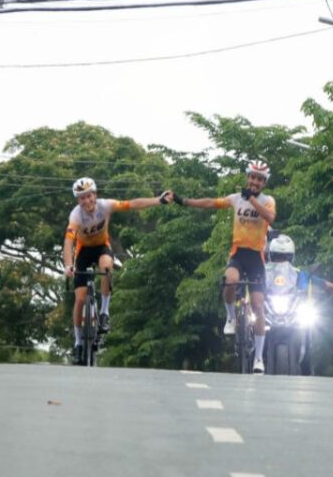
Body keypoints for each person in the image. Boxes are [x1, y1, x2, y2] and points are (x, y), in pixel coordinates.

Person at [173, 160, 277, 374]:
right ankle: (230, 317)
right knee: (229, 280)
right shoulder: (236, 198)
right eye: (252, 177)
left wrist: (252, 200)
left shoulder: (267, 201)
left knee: (258, 306)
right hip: (238, 253)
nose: (255, 181)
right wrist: (183, 201)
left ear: (264, 183)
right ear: (247, 178)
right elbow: (211, 202)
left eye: (259, 179)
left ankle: (258, 358)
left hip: (256, 258)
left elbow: (270, 217)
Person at [62, 177, 168, 360]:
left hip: (102, 247)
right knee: (79, 300)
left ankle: (104, 312)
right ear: (78, 200)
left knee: (106, 267)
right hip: (83, 252)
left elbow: (132, 204)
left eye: (89, 196)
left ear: (95, 194)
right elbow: (68, 241)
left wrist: (158, 200)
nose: (86, 201)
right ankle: (78, 341)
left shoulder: (106, 206)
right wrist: (68, 265)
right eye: (81, 198)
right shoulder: (75, 216)